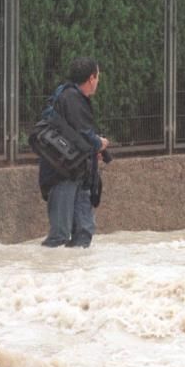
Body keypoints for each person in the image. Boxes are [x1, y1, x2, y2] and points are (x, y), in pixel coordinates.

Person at [39, 57, 110, 248]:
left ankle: (75, 275)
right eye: (98, 77)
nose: (98, 82)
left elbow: (76, 134)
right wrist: (99, 143)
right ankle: (46, 273)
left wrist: (94, 146)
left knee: (84, 231)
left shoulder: (72, 97)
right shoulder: (71, 98)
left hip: (78, 172)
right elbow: (84, 135)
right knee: (60, 235)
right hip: (62, 174)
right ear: (91, 78)